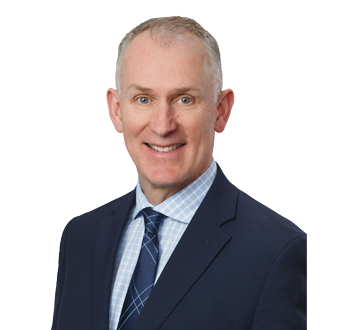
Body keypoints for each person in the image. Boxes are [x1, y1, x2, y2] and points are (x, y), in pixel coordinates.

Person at [51, 16, 306, 330]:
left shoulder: (276, 251)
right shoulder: (81, 238)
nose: (162, 125)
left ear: (221, 110)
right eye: (143, 99)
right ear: (117, 110)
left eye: (184, 99)